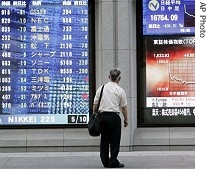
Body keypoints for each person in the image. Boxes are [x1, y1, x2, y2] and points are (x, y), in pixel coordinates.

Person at [93, 68, 128, 168]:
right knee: (115, 140)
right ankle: (113, 161)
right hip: (114, 117)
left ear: (109, 77)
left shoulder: (101, 88)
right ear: (119, 78)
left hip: (102, 117)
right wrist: (126, 119)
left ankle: (105, 161)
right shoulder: (120, 90)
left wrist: (94, 114)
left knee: (104, 139)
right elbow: (124, 107)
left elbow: (95, 104)